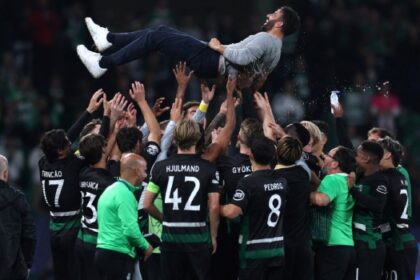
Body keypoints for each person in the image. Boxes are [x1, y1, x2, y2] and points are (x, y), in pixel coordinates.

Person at [76, 6, 300, 88]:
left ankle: (103, 62)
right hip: (212, 62)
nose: (269, 15)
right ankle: (108, 39)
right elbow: (259, 79)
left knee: (156, 37)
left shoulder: (266, 39)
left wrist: (219, 46)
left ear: (279, 23)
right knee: (160, 31)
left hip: (212, 59)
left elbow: (241, 58)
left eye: (274, 14)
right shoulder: (276, 50)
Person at [143, 119, 220, 280]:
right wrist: (213, 235)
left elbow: (147, 204)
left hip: (171, 240)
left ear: (175, 139)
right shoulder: (208, 169)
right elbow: (213, 206)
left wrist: (166, 219)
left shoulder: (160, 168)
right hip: (198, 240)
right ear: (197, 139)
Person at [221, 136, 287, 280]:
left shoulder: (248, 182)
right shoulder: (282, 180)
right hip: (277, 250)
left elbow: (232, 212)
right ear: (273, 155)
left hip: (254, 252)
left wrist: (216, 207)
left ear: (250, 154)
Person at [95, 153, 153, 280]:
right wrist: (146, 247)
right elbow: (130, 230)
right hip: (117, 256)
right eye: (144, 171)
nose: (145, 175)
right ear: (137, 171)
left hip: (103, 252)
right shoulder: (125, 195)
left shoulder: (111, 190)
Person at [310, 146, 356, 280]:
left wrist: (303, 192)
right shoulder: (349, 181)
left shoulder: (332, 179)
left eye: (328, 155)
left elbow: (322, 200)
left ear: (335, 163)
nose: (324, 156)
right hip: (348, 247)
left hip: (332, 247)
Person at [76, 134, 116, 280]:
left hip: (81, 239)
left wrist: (115, 131)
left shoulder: (82, 174)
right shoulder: (110, 183)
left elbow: (99, 152)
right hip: (99, 243)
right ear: (103, 151)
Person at [377, 137, 417, 280]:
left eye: (378, 151)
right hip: (403, 238)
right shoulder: (400, 176)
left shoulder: (384, 178)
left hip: (396, 241)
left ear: (388, 155)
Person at [349, 141, 389, 280]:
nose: (355, 157)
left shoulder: (379, 181)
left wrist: (353, 191)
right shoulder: (360, 177)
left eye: (357, 154)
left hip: (369, 244)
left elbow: (378, 205)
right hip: (357, 242)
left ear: (367, 158)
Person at [275, 136, 313, 280]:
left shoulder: (274, 178)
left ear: (276, 153)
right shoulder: (304, 174)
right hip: (303, 245)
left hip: (281, 245)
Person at [0, 155, 36, 280]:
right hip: (14, 270)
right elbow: (29, 235)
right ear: (5, 174)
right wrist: (27, 265)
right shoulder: (18, 199)